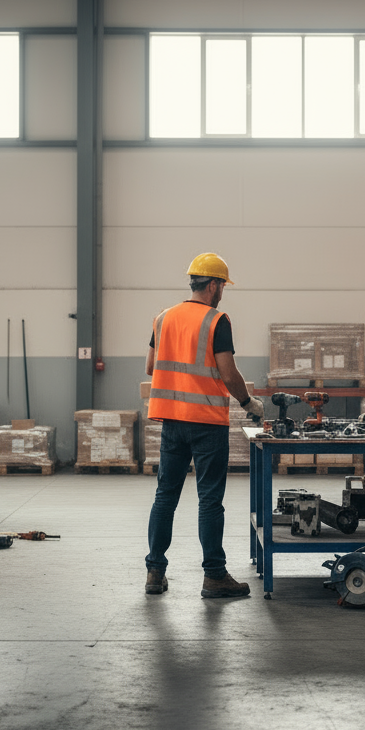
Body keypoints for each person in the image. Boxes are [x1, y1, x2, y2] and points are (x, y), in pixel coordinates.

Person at [145, 253, 265, 599]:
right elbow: (228, 372)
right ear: (213, 285)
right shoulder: (217, 320)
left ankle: (155, 572)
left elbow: (151, 365)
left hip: (172, 421)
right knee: (210, 500)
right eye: (223, 285)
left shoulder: (163, 318)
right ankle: (214, 576)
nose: (223, 292)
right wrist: (248, 402)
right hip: (207, 422)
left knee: (165, 496)